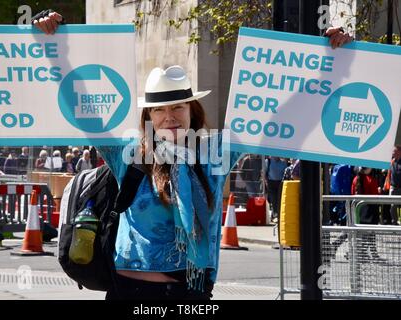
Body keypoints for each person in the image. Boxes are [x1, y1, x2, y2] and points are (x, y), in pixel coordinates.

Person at [34, 12, 353, 300]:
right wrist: (58, 50)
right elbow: (85, 112)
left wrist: (329, 66)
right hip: (127, 293)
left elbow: (280, 116)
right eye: (159, 110)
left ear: (192, 110)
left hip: (190, 296)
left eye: (178, 107)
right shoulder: (129, 154)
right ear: (149, 117)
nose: (169, 117)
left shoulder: (215, 155)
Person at [352, 167, 382, 261]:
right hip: (370, 210)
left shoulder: (355, 179)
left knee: (361, 233)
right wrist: (379, 191)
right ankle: (373, 252)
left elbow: (352, 193)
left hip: (359, 209)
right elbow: (375, 195)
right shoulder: (371, 180)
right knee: (371, 233)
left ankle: (361, 252)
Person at [264, 156, 288, 222]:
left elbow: (285, 173)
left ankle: (277, 214)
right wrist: (265, 182)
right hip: (271, 183)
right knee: (273, 199)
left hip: (280, 183)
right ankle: (275, 214)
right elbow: (264, 172)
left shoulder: (283, 163)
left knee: (279, 199)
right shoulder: (268, 162)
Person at [387, 145, 401, 225]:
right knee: (392, 207)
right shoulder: (392, 162)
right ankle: (394, 223)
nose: (392, 153)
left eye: (394, 151)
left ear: (399, 152)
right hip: (393, 187)